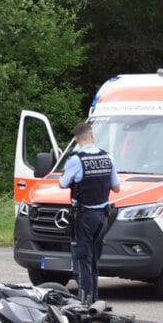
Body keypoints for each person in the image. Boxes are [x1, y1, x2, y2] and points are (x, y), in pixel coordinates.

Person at [59, 122, 120, 303]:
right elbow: (116, 187)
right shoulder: (108, 157)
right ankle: (94, 300)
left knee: (82, 261)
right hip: (103, 216)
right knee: (94, 260)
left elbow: (62, 183)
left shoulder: (76, 160)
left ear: (77, 139)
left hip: (84, 216)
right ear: (92, 136)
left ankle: (85, 303)